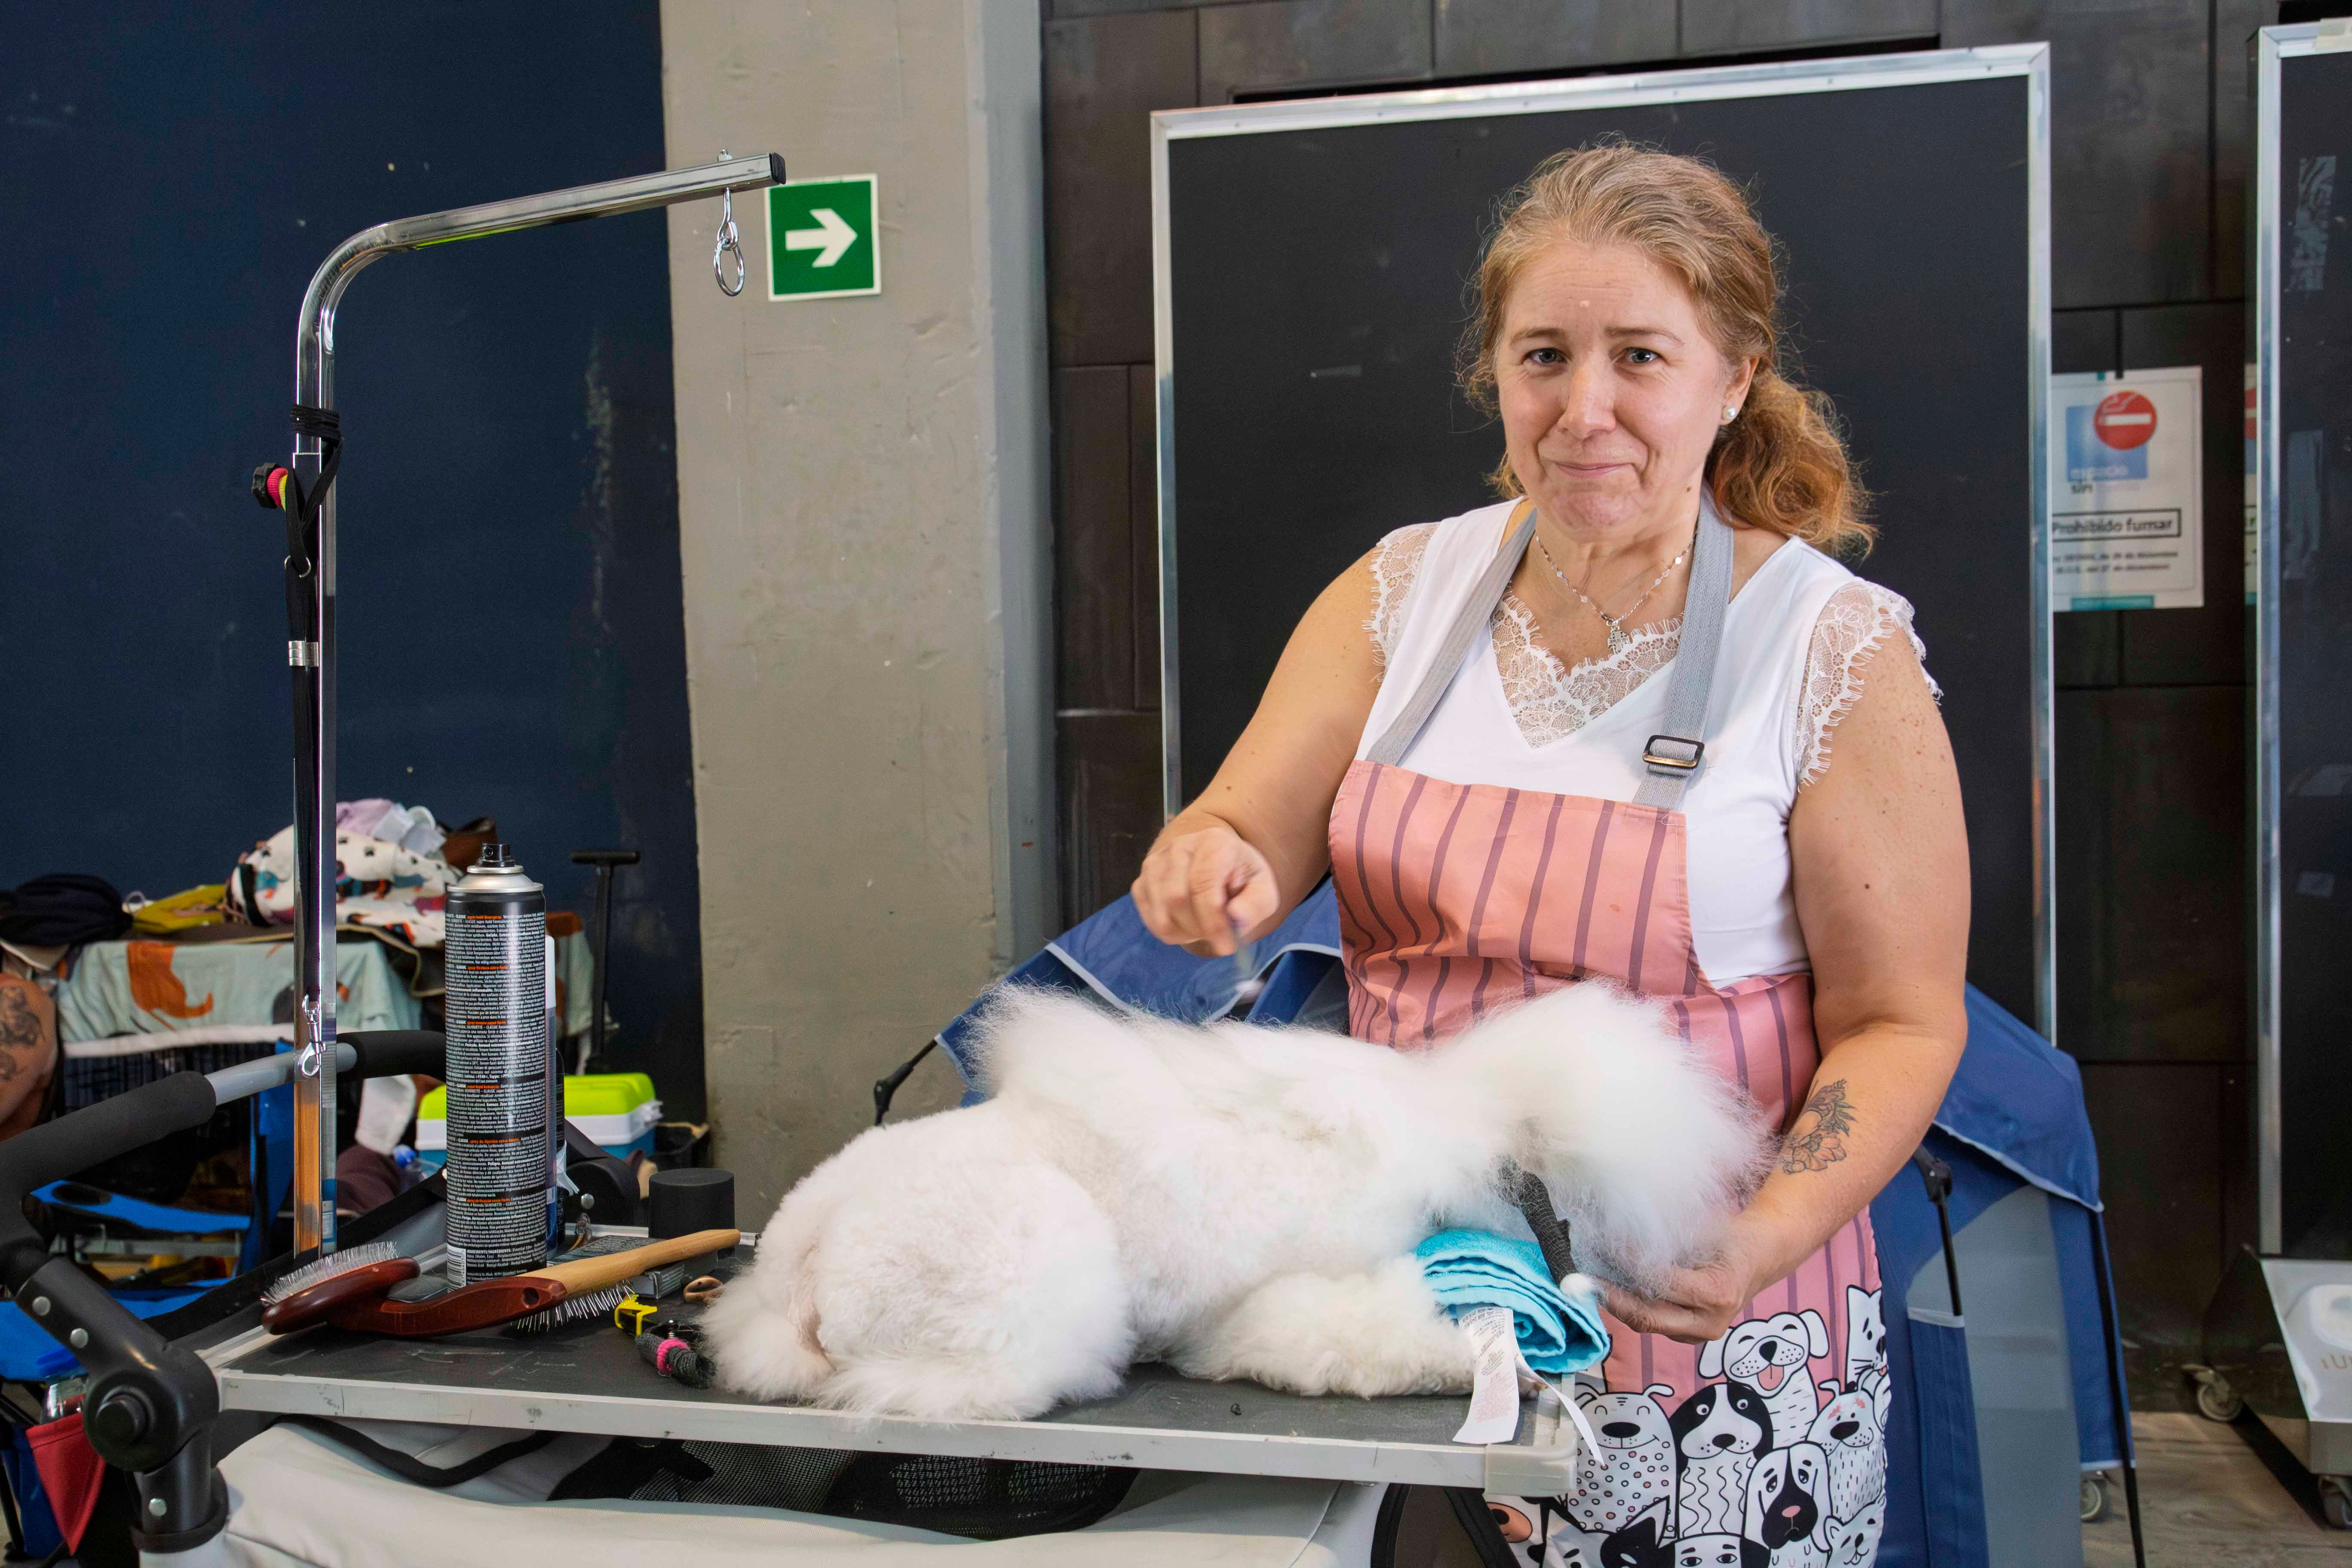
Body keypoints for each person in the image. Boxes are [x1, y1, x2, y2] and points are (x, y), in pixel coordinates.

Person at [1133, 144, 1966, 1560]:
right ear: (1496, 376)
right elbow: (1244, 826)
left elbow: (1901, 1021)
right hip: (1404, 1313)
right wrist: (1210, 861)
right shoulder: (1403, 591)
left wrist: (1757, 1243)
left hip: (1702, 1350)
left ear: (1734, 375)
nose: (1586, 410)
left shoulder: (1828, 648)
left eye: (1641, 355)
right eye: (1544, 356)